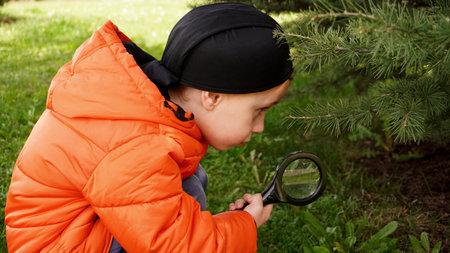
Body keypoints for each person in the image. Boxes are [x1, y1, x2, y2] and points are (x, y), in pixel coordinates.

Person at [5, 2, 293, 253]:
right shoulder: (136, 145)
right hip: (62, 246)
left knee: (187, 180)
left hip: (76, 231)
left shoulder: (144, 108)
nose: (260, 127)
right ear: (213, 97)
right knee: (188, 189)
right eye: (259, 110)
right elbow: (172, 247)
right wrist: (245, 225)